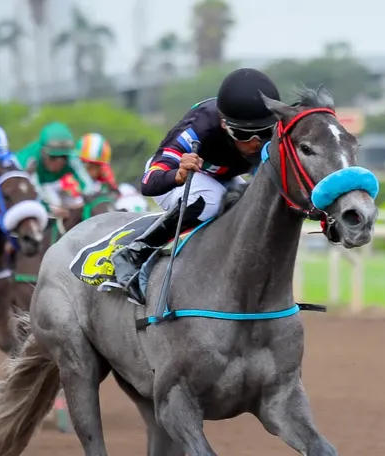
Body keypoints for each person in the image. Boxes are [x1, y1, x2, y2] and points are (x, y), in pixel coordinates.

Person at [109, 67, 282, 304]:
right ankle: (135, 252)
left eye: (264, 133)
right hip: (180, 179)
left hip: (223, 177)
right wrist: (178, 175)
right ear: (224, 125)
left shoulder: (278, 126)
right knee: (210, 200)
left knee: (251, 204)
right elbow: (148, 183)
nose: (255, 144)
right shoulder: (200, 126)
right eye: (244, 135)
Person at [14, 122, 99, 217]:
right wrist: (49, 209)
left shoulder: (72, 158)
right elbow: (33, 192)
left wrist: (86, 203)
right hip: (24, 185)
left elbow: (88, 186)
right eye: (53, 157)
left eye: (64, 157)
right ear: (43, 152)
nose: (59, 162)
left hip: (52, 185)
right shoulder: (29, 160)